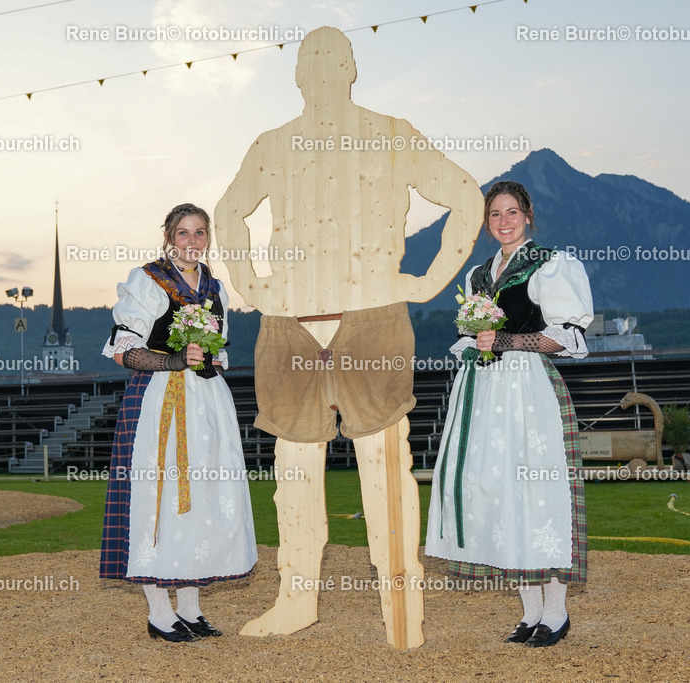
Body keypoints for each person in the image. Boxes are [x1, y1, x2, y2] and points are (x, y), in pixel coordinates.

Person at [214, 26, 483, 650]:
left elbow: (465, 194)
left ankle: (402, 611)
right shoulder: (273, 145)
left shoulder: (392, 134)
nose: (325, 71)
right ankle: (296, 599)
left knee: (386, 466)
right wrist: (253, 285)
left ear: (352, 69)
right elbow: (230, 214)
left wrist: (430, 279)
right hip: (292, 323)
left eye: (334, 61)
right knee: (296, 472)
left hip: (372, 317)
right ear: (300, 75)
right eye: (314, 61)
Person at [425, 180, 594, 648]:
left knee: (538, 495)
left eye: (512, 212)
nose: (504, 221)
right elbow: (472, 335)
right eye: (495, 214)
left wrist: (504, 342)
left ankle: (556, 613)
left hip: (528, 391)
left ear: (528, 214)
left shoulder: (550, 264)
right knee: (502, 496)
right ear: (487, 221)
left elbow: (567, 338)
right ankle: (530, 612)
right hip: (484, 392)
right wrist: (470, 348)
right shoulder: (479, 274)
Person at [99, 203, 257, 642]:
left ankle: (190, 608)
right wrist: (174, 359)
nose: (192, 242)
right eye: (183, 233)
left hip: (207, 402)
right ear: (169, 236)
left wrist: (209, 364)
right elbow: (122, 350)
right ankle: (158, 613)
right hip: (158, 401)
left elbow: (219, 352)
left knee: (202, 502)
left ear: (209, 238)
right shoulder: (148, 279)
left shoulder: (215, 287)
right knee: (158, 501)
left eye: (200, 233)